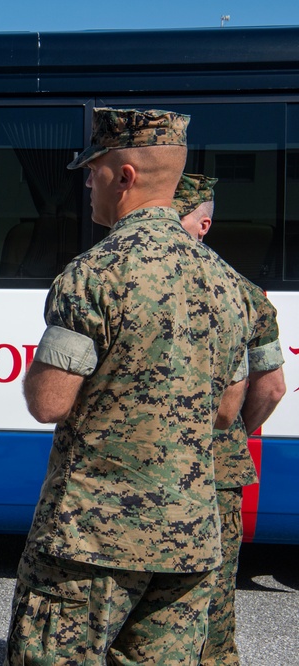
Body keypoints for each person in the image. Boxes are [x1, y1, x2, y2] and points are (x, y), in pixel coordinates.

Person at [6, 108, 251, 665]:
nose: (86, 182)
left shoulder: (95, 273)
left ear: (126, 175)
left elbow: (49, 403)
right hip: (190, 537)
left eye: (93, 170)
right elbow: (225, 412)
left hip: (91, 539)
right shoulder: (228, 283)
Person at [174, 173, 287, 666]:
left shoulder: (117, 278)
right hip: (216, 468)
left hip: (132, 468)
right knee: (212, 590)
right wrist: (232, 432)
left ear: (204, 225)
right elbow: (273, 386)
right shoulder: (243, 293)